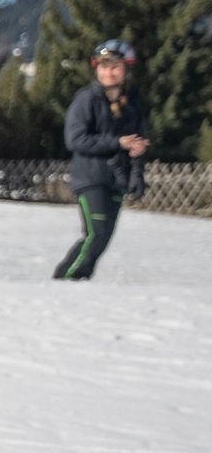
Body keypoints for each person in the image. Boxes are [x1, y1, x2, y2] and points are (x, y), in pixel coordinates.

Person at [56, 39, 149, 281]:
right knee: (95, 233)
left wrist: (137, 173)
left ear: (126, 70)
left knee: (104, 237)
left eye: (115, 67)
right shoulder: (87, 99)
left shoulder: (132, 104)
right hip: (91, 178)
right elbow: (75, 140)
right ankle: (65, 279)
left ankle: (79, 280)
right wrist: (117, 142)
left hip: (116, 180)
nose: (109, 72)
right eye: (104, 67)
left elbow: (137, 142)